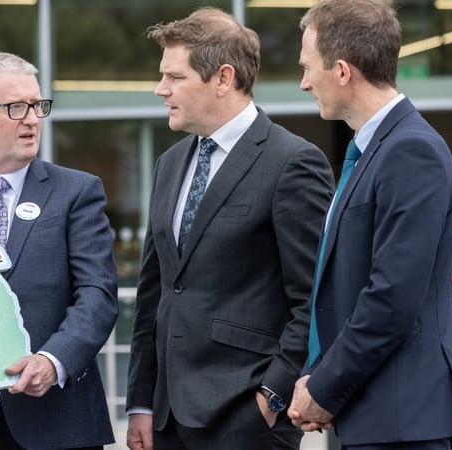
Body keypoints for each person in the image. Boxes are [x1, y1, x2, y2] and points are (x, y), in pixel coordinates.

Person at [126, 8, 334, 450]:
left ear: (223, 78)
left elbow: (315, 298)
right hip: (165, 421)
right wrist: (141, 404)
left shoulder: (292, 163)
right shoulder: (169, 164)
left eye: (174, 77)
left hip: (246, 418)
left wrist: (271, 398)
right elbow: (154, 293)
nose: (160, 89)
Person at [288, 1, 452, 448]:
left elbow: (390, 299)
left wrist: (323, 387)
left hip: (403, 417)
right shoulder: (376, 151)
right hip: (377, 412)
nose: (304, 82)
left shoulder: (411, 152)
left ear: (343, 71)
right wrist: (317, 375)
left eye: (308, 68)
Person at [0, 52, 119, 450]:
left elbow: (97, 295)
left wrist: (54, 359)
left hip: (57, 423)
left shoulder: (77, 192)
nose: (32, 118)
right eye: (16, 107)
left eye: (37, 105)